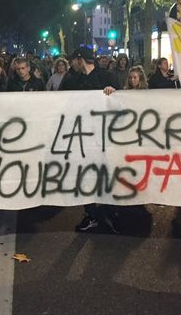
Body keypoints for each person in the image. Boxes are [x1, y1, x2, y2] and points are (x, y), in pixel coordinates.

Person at [60, 48, 120, 233]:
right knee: (85, 174)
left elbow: (122, 102)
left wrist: (114, 93)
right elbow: (60, 99)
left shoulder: (107, 77)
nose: (71, 64)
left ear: (80, 59)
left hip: (103, 135)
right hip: (82, 135)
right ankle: (91, 214)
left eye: (73, 61)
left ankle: (110, 213)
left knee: (104, 174)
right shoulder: (73, 80)